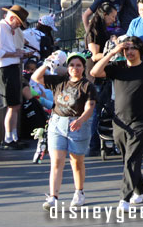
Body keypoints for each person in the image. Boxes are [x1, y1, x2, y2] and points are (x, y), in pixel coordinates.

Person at [90, 36, 143, 210]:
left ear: (140, 50)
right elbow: (94, 72)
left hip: (140, 121)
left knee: (132, 159)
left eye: (133, 48)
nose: (129, 52)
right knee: (127, 159)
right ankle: (141, 189)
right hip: (119, 122)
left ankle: (124, 197)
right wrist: (112, 52)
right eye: (126, 49)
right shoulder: (117, 68)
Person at [32, 51, 96, 208]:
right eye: (72, 65)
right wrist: (47, 63)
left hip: (78, 124)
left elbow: (90, 107)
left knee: (76, 162)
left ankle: (79, 192)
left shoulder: (87, 86)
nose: (75, 68)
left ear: (83, 68)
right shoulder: (59, 81)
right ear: (67, 67)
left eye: (78, 65)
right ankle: (53, 197)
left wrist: (81, 120)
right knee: (57, 161)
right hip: (57, 123)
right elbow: (36, 78)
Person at [0, 5, 29, 149]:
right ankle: (8, 138)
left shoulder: (8, 29)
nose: (18, 26)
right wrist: (16, 53)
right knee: (11, 105)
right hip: (3, 68)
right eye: (18, 23)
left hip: (11, 67)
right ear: (12, 18)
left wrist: (17, 53)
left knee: (15, 105)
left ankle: (13, 136)